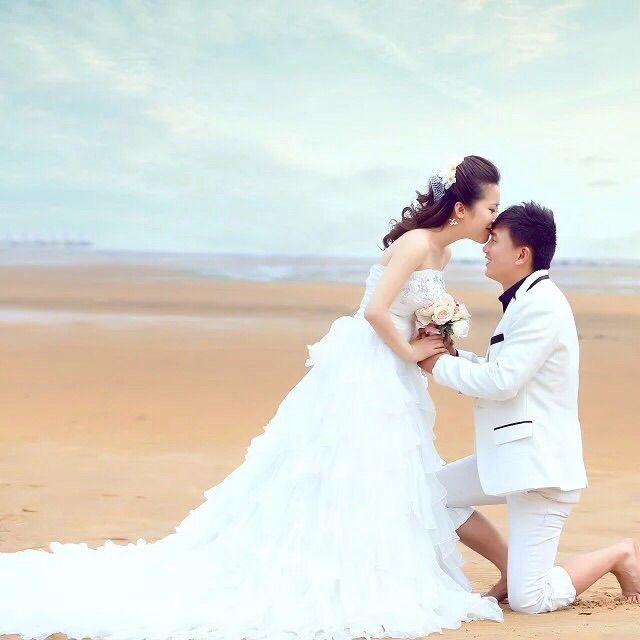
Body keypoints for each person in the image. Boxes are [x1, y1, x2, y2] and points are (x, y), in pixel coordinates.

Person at [0, 156, 505, 640]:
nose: (494, 218)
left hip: (393, 370)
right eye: (491, 208)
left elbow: (402, 310)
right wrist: (411, 348)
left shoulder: (442, 253)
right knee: (355, 467)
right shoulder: (417, 244)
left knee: (389, 471)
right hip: (369, 366)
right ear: (461, 208)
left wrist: (431, 335)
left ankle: (381, 566)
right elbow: (375, 310)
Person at [419, 201, 640, 613]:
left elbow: (502, 382)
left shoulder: (541, 305)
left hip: (540, 470)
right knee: (429, 492)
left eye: (494, 241)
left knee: (529, 600)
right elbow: (504, 371)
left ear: (522, 254)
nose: (485, 248)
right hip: (511, 456)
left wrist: (438, 365)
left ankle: (619, 554)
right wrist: (453, 356)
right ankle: (510, 566)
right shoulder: (526, 300)